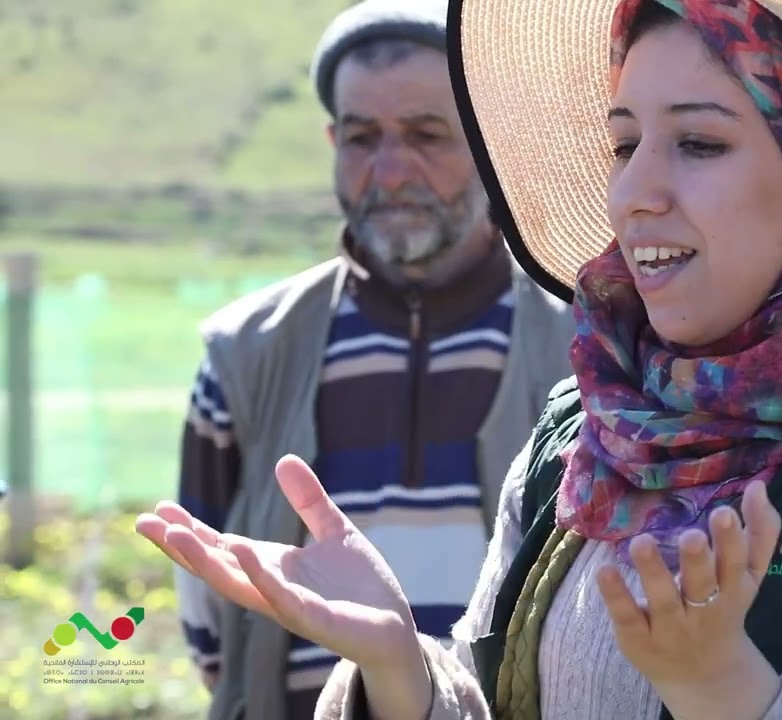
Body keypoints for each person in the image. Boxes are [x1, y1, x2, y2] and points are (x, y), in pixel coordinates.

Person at [142, 0, 782, 718]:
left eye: (698, 142)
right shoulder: (591, 428)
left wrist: (721, 689)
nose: (632, 194)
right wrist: (399, 669)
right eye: (623, 144)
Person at [170, 1, 575, 718]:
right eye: (362, 138)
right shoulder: (247, 353)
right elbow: (212, 627)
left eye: (426, 135)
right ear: (332, 142)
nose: (390, 172)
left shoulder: (587, 347)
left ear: (489, 141)